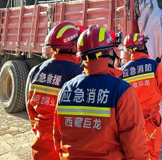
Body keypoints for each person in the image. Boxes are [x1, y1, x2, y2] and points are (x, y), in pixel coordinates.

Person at [53, 26, 149, 159]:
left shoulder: (66, 88)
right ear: (109, 53)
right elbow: (134, 144)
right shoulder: (122, 90)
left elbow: (58, 137)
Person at [27, 22, 83, 160]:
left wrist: (40, 130)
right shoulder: (77, 73)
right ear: (73, 45)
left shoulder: (37, 70)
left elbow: (30, 107)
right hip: (64, 145)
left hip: (40, 143)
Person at [121, 33, 162, 160]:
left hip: (132, 121)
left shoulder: (123, 71)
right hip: (150, 119)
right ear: (142, 47)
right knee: (151, 151)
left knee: (135, 152)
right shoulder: (153, 65)